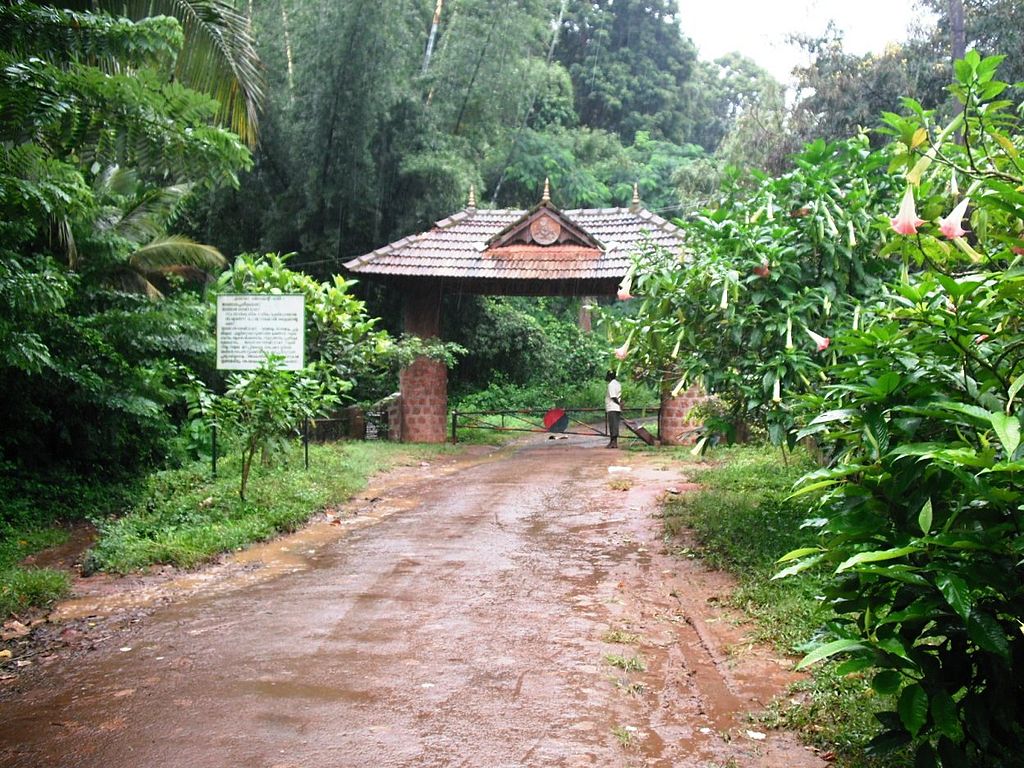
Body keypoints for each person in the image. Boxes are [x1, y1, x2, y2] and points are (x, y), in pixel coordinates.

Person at [605, 370, 622, 448]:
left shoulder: (611, 385)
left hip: (612, 407)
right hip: (616, 408)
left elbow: (613, 397)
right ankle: (613, 442)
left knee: (613, 425)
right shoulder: (618, 384)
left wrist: (619, 403)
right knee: (615, 425)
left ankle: (613, 442)